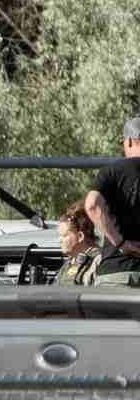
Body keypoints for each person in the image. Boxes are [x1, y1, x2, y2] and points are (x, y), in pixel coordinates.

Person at [84, 117, 140, 287]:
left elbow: (92, 204)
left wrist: (120, 243)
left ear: (130, 141)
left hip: (117, 273)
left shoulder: (112, 172)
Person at [57, 201, 104, 285]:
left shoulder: (100, 261)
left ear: (80, 236)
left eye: (64, 236)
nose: (60, 240)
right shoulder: (70, 263)